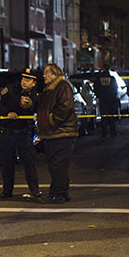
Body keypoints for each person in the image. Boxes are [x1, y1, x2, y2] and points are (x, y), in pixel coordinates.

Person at [0, 68, 41, 199]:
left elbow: (37, 109)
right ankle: (7, 191)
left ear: (34, 83)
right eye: (23, 79)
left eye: (28, 80)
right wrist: (6, 113)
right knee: (7, 162)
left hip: (24, 132)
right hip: (8, 131)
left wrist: (30, 104)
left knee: (29, 162)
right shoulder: (11, 89)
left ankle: (35, 190)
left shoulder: (35, 95)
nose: (24, 82)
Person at [37, 63, 78, 204]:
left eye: (46, 73)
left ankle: (58, 194)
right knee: (56, 165)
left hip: (61, 133)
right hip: (54, 133)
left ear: (54, 74)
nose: (44, 76)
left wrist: (51, 121)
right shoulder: (51, 89)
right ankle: (59, 192)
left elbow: (65, 107)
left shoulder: (62, 87)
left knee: (57, 165)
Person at [93, 65, 119, 137]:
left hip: (103, 100)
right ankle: (113, 131)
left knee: (103, 117)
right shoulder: (112, 78)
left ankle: (104, 132)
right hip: (111, 100)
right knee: (112, 117)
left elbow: (96, 88)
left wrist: (99, 96)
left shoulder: (99, 79)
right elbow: (115, 89)